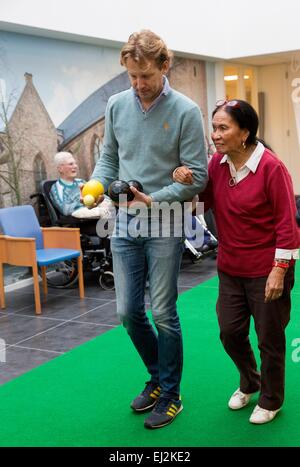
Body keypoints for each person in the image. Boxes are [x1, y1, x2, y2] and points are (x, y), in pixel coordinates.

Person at [91, 30, 208, 429]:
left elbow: (196, 177)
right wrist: (96, 184)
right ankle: (158, 379)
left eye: (146, 75)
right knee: (127, 312)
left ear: (164, 66)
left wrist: (152, 199)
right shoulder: (116, 105)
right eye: (132, 76)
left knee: (163, 312)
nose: (139, 84)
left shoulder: (187, 111)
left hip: (166, 221)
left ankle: (171, 394)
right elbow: (109, 158)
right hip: (122, 221)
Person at [174, 99, 299, 425]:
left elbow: (288, 226)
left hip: (267, 271)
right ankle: (250, 380)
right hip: (231, 269)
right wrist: (186, 188)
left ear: (244, 132)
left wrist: (279, 271)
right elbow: (200, 208)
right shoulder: (217, 164)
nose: (214, 135)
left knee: (269, 339)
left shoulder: (272, 168)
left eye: (222, 128)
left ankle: (271, 399)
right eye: (213, 127)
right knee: (229, 333)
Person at [50, 152, 113, 219]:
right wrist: (84, 202)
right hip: (78, 216)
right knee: (104, 212)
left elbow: (97, 195)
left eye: (75, 163)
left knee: (111, 204)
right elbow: (65, 209)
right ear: (60, 169)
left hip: (93, 207)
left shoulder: (81, 181)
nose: (75, 166)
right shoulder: (56, 188)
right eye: (71, 164)